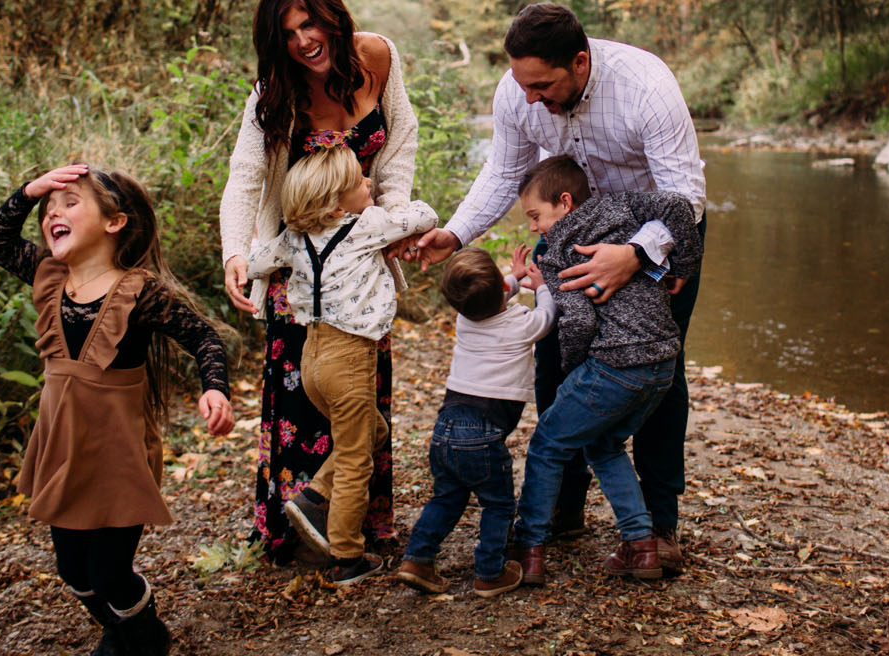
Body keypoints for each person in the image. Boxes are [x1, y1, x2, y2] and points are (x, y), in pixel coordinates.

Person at [411, 3, 706, 570]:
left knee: (658, 370)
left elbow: (684, 195)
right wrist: (455, 231)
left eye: (542, 86)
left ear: (579, 61)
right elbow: (503, 171)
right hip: (567, 230)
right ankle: (563, 510)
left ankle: (658, 525)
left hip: (659, 234)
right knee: (556, 360)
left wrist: (635, 255)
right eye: (523, 85)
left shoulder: (646, 85)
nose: (529, 99)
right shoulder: (517, 89)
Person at [0, 164, 234, 656]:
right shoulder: (49, 276)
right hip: (64, 448)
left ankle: (144, 639)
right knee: (73, 573)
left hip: (119, 451)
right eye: (49, 209)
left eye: (70, 203)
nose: (54, 212)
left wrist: (215, 390)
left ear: (114, 222)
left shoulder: (139, 292)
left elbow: (204, 337)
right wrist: (33, 190)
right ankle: (123, 631)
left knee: (110, 572)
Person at [219, 0, 418, 564]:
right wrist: (236, 251)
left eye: (311, 24)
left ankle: (354, 524)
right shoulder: (274, 95)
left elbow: (401, 140)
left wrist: (394, 218)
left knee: (360, 394)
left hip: (363, 268)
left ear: (334, 16)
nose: (304, 40)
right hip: (297, 273)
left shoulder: (378, 57)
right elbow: (245, 177)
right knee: (304, 400)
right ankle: (295, 533)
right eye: (289, 34)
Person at [240, 144, 437, 586]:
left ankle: (313, 496)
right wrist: (398, 209)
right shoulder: (367, 227)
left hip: (310, 357)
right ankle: (347, 557)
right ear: (333, 205)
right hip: (349, 358)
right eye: (359, 182)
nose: (369, 182)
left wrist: (252, 241)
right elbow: (424, 216)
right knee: (353, 458)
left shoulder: (295, 239)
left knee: (372, 432)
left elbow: (256, 263)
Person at [505, 156, 701, 582]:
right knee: (605, 445)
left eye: (536, 216)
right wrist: (683, 265)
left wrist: (576, 371)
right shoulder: (621, 209)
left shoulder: (559, 254)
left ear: (564, 202)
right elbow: (680, 207)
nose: (534, 228)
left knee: (547, 444)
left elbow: (578, 321)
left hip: (616, 365)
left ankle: (528, 548)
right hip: (663, 362)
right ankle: (640, 546)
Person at [394, 245, 558, 598]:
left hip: (445, 430)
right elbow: (547, 318)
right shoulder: (519, 323)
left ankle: (417, 558)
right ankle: (490, 572)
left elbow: (490, 294)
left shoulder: (464, 319)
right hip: (483, 435)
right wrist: (541, 285)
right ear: (500, 289)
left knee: (445, 499)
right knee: (497, 505)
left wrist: (513, 278)